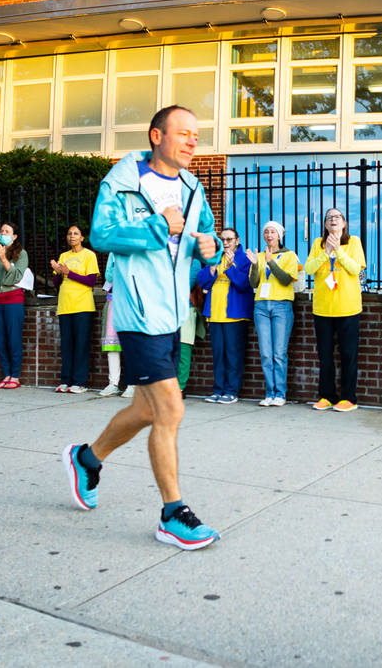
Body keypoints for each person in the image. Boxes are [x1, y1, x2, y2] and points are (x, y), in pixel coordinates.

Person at [62, 104, 222, 550]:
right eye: (183, 133)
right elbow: (101, 234)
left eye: (196, 135)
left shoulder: (193, 188)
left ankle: (87, 460)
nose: (193, 141)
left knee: (147, 410)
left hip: (173, 313)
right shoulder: (123, 181)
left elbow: (205, 237)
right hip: (137, 310)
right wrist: (156, 225)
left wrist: (208, 249)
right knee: (170, 408)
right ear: (156, 136)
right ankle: (174, 514)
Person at [304, 207, 366, 412]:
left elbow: (356, 269)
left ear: (344, 223)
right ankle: (327, 396)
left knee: (348, 354)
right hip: (323, 308)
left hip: (348, 307)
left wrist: (338, 250)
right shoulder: (317, 244)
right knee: (325, 355)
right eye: (329, 217)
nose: (333, 220)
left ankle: (349, 398)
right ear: (324, 224)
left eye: (337, 217)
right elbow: (309, 269)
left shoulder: (353, 242)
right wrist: (326, 253)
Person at [197, 226, 253, 404]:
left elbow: (244, 284)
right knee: (218, 354)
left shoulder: (244, 258)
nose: (226, 243)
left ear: (237, 241)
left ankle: (231, 391)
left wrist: (229, 268)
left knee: (233, 355)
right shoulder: (215, 257)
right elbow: (203, 281)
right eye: (222, 239)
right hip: (214, 313)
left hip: (234, 315)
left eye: (229, 239)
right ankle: (218, 390)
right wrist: (212, 269)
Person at [247, 220, 300, 406]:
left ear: (279, 235)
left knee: (279, 353)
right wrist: (255, 265)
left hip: (281, 305)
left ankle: (280, 394)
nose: (269, 235)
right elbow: (254, 283)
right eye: (266, 232)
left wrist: (271, 263)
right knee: (266, 353)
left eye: (272, 232)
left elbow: (286, 280)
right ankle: (269, 393)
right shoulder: (259, 256)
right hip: (261, 305)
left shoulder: (289, 255)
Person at [51, 224, 99, 394]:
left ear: (82, 238)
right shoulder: (63, 255)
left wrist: (69, 272)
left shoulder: (89, 255)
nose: (72, 236)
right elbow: (57, 284)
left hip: (82, 306)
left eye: (76, 233)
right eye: (69, 233)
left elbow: (91, 282)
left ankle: (80, 382)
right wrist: (58, 272)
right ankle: (66, 380)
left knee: (81, 345)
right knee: (67, 346)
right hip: (65, 306)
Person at [0, 221, 29, 389]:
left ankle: (15, 376)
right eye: (1, 230)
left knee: (13, 337)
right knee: (0, 338)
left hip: (13, 298)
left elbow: (16, 276)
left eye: (7, 231)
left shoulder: (21, 253)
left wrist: (3, 258)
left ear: (14, 236)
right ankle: (7, 374)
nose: (3, 233)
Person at [97, 255, 125, 397]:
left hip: (132, 301)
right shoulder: (114, 252)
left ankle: (133, 384)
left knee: (131, 344)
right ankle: (113, 383)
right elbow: (109, 275)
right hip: (114, 300)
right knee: (112, 342)